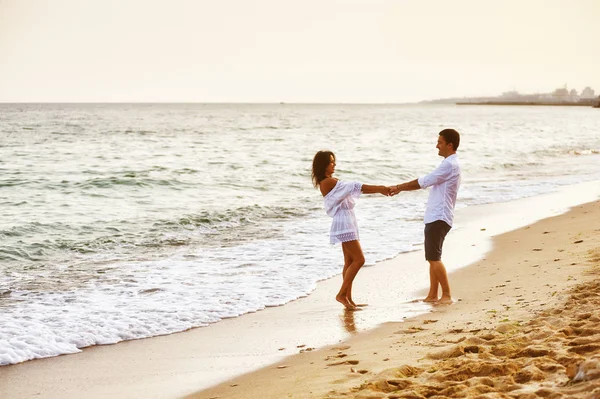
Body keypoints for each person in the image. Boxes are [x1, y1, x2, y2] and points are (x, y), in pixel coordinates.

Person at [389, 128, 461, 304]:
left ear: (449, 145)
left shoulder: (449, 165)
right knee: (433, 257)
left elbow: (424, 182)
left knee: (433, 257)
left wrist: (398, 187)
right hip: (439, 216)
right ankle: (432, 295)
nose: (437, 145)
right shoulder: (451, 163)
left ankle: (446, 295)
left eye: (440, 142)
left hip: (438, 216)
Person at [312, 150, 391, 310]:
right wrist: (381, 188)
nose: (334, 164)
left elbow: (354, 189)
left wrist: (380, 189)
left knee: (349, 261)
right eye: (331, 162)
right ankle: (341, 295)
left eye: (334, 161)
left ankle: (348, 300)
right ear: (323, 165)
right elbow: (357, 186)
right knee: (359, 259)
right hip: (344, 221)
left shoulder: (331, 181)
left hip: (347, 220)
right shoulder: (328, 182)